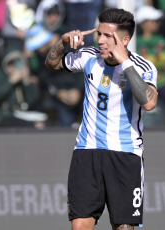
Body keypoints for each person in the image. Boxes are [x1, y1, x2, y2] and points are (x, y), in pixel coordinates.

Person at [45, 8, 158, 230]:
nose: (101, 41)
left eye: (108, 36)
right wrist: (62, 42)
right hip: (87, 151)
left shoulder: (143, 67)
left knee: (123, 227)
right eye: (100, 34)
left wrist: (125, 63)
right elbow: (53, 63)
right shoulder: (89, 57)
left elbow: (149, 102)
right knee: (79, 226)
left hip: (125, 154)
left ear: (125, 40)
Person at [0, 46, 45, 128]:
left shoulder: (21, 79)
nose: (12, 67)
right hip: (1, 117)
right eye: (10, 63)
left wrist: (26, 81)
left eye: (16, 63)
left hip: (20, 115)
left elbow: (32, 101)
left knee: (40, 125)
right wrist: (10, 82)